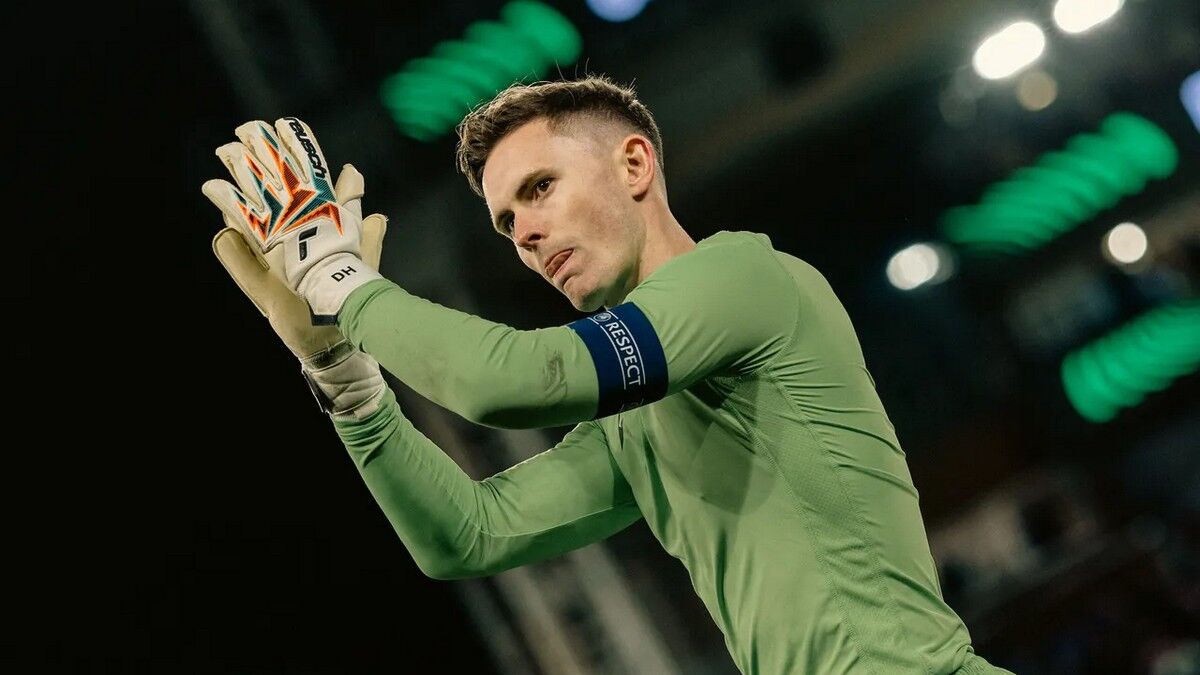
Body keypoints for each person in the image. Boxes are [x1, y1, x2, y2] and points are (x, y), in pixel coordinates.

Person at [202, 75, 1012, 675]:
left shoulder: (746, 276)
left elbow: (513, 380)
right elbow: (467, 535)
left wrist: (339, 279)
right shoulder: (637, 419)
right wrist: (345, 374)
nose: (524, 232)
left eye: (540, 188)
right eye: (507, 222)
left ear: (633, 165)